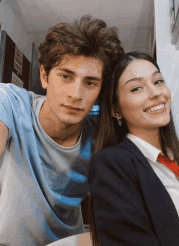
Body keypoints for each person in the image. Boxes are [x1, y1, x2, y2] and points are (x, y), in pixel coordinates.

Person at [0, 15, 124, 246]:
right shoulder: (10, 102)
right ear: (45, 76)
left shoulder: (103, 137)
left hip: (69, 242)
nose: (76, 94)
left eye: (90, 83)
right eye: (66, 76)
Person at [88, 51, 179, 246]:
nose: (156, 93)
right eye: (136, 88)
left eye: (158, 81)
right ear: (116, 109)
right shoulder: (111, 164)